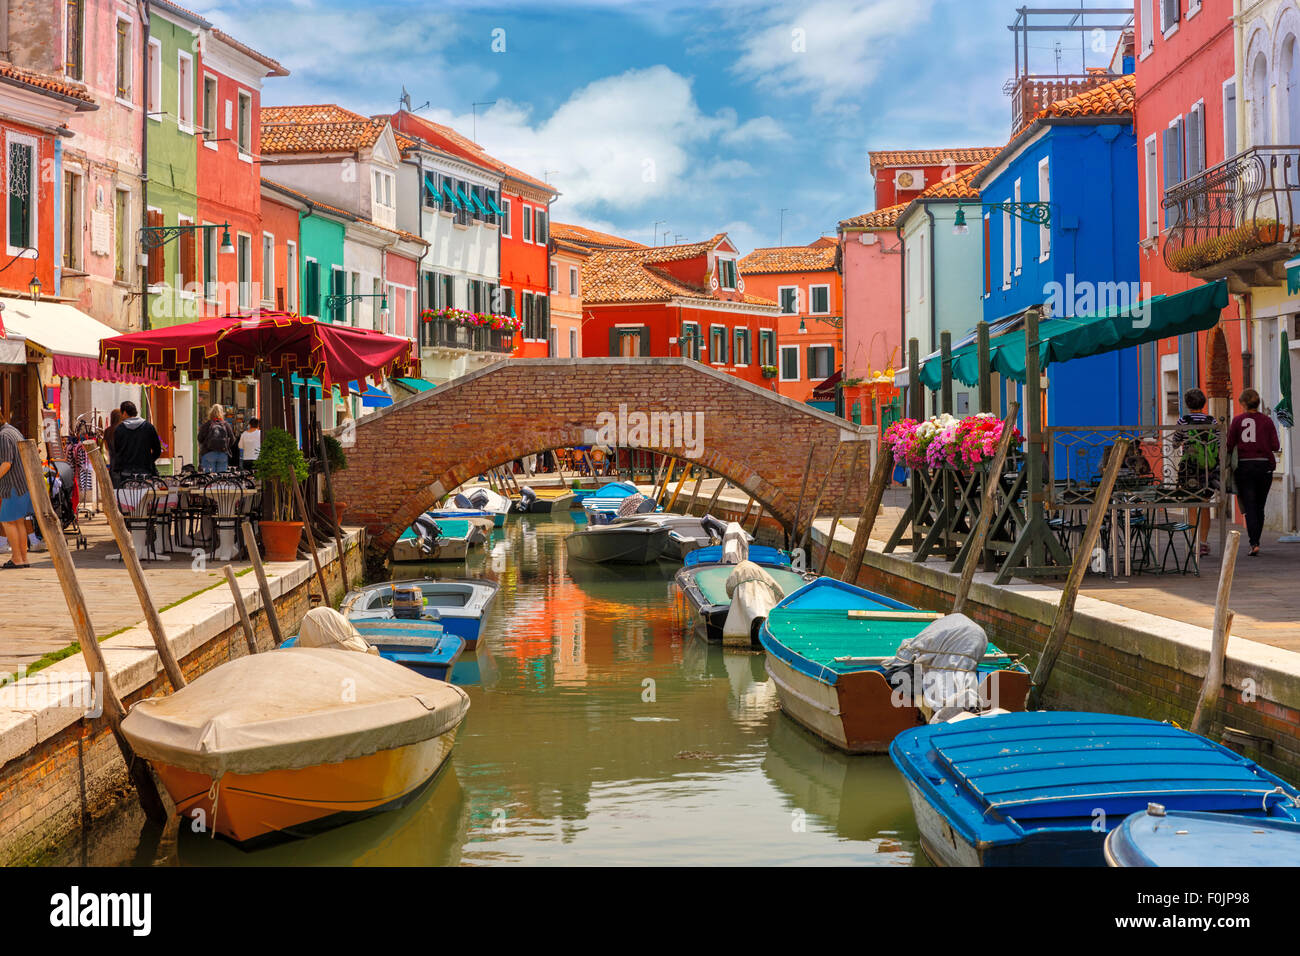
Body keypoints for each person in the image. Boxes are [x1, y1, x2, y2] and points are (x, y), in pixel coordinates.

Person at [1227, 388, 1281, 557]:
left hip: (1244, 467)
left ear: (1243, 403)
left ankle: (1254, 543)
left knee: (1249, 505)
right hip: (1264, 467)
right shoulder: (1267, 421)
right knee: (1259, 506)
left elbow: (1229, 444)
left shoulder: (1237, 421)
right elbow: (1275, 446)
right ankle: (1256, 540)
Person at [1173, 387, 1219, 557]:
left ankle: (1194, 542)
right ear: (1203, 403)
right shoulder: (1212, 421)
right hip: (1208, 468)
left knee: (1192, 504)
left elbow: (1175, 442)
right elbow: (1218, 443)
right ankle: (1204, 542)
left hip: (1190, 468)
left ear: (1187, 404)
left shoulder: (1183, 422)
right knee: (1205, 504)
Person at [0, 412, 31, 568]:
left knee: (7, 522)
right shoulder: (13, 430)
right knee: (19, 522)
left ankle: (17, 558)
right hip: (21, 485)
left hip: (12, 485)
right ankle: (23, 558)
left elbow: (6, 463)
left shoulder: (3, 436)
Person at [111, 400, 162, 485]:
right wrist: (148, 460)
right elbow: (157, 450)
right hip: (145, 472)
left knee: (128, 497)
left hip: (126, 473)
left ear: (124, 413)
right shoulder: (148, 427)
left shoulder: (119, 429)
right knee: (146, 496)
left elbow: (118, 451)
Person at [198, 404, 235, 473]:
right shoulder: (226, 424)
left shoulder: (207, 424)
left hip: (208, 453)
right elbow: (232, 439)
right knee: (221, 478)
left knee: (209, 478)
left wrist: (206, 444)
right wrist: (226, 446)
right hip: (222, 454)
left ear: (210, 413)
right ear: (222, 414)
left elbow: (199, 438)